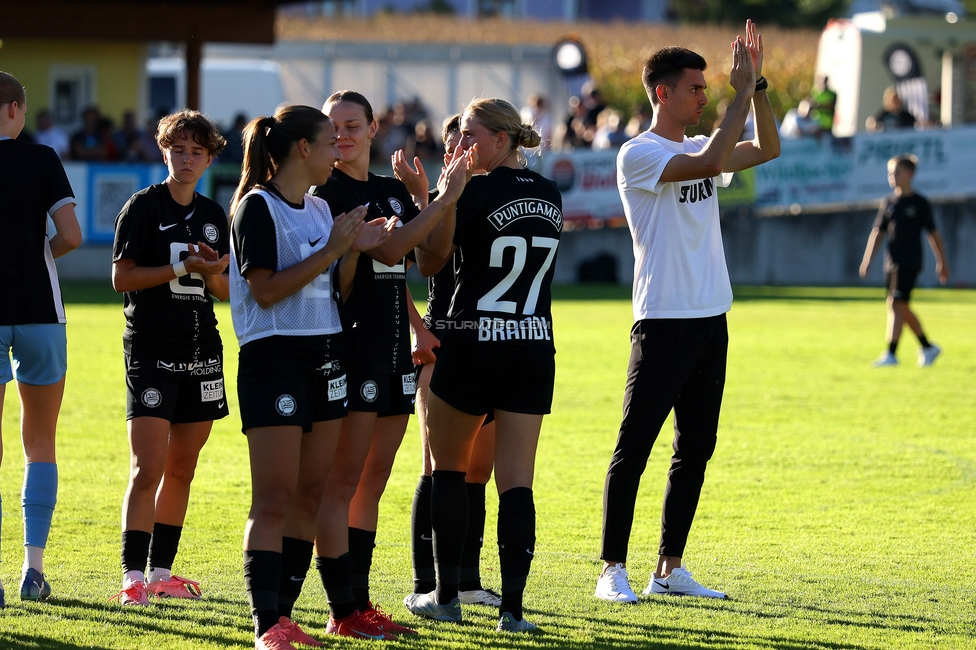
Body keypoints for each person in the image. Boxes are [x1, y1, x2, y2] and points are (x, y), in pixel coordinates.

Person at [595, 20, 780, 604]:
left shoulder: (703, 145)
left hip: (710, 319)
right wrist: (740, 93)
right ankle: (612, 570)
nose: (705, 96)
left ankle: (669, 569)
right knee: (635, 448)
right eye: (695, 89)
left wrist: (761, 89)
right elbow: (709, 163)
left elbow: (768, 148)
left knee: (695, 449)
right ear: (661, 94)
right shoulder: (639, 154)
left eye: (707, 88)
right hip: (662, 320)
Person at [230, 105, 394, 650]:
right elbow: (267, 291)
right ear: (303, 148)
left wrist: (352, 250)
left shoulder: (323, 209)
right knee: (273, 498)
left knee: (311, 493)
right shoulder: (257, 207)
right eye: (329, 143)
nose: (336, 151)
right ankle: (264, 624)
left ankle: (285, 616)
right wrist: (332, 249)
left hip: (326, 357)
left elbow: (336, 291)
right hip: (273, 359)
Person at [309, 90, 469, 639]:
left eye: (353, 125)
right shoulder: (321, 193)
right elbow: (385, 249)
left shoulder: (390, 190)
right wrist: (442, 198)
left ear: (375, 128)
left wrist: (427, 198)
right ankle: (342, 606)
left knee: (373, 480)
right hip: (347, 348)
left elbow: (427, 258)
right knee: (343, 478)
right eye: (334, 128)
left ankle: (360, 599)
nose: (343, 135)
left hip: (394, 349)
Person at [402, 97, 561, 634]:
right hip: (534, 344)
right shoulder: (549, 191)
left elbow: (429, 261)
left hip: (471, 342)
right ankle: (514, 611)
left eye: (471, 134)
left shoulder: (473, 187)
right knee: (517, 482)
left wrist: (444, 197)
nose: (462, 144)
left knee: (446, 471)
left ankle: (445, 595)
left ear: (502, 139)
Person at [109, 110, 231, 607]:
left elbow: (224, 291)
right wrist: (181, 264)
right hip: (152, 350)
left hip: (202, 350)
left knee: (183, 469)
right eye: (178, 149)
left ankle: (162, 572)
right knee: (148, 468)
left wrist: (212, 269)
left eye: (196, 152)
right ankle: (132, 578)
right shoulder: (141, 207)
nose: (187, 159)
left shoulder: (214, 214)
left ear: (209, 158)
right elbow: (122, 279)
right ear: (164, 150)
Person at [392, 114, 502, 610]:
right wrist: (419, 330)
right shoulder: (439, 203)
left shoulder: (496, 200)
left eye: (469, 139)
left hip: (495, 345)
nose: (462, 149)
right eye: (454, 141)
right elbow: (401, 271)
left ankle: (467, 581)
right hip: (444, 342)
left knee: (477, 471)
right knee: (437, 467)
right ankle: (426, 585)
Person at [0, 71, 82, 608]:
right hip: (40, 313)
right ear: (14, 110)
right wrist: (35, 259)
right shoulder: (42, 158)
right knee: (40, 444)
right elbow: (71, 235)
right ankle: (33, 570)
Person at [859, 154, 949, 367]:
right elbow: (877, 233)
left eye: (896, 172)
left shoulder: (920, 203)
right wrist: (867, 260)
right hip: (891, 262)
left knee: (896, 304)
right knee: (899, 306)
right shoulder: (888, 202)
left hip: (910, 262)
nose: (892, 176)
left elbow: (933, 234)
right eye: (890, 173)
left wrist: (942, 262)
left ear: (910, 173)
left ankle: (891, 354)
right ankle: (928, 347)